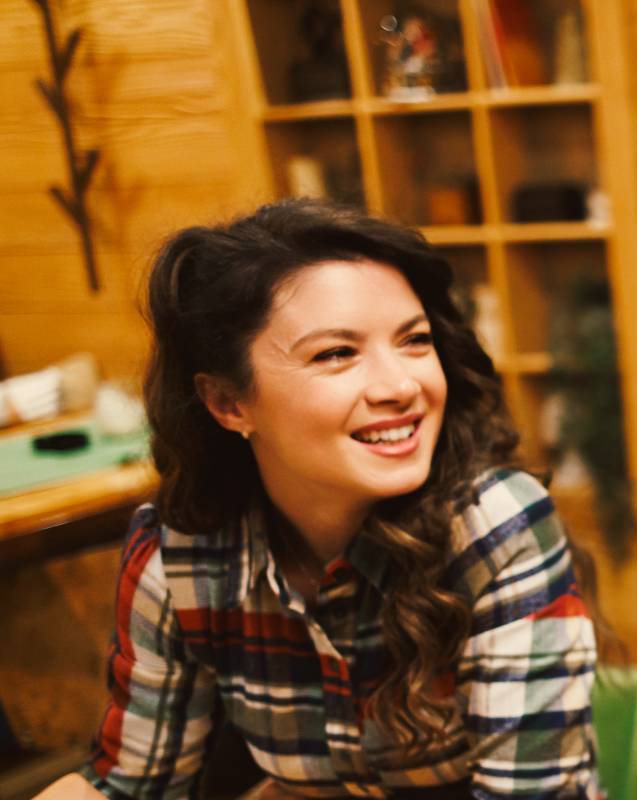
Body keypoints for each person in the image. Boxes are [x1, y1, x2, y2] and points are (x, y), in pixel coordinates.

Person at [36, 200, 605, 798]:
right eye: (337, 353)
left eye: (414, 340)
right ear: (229, 403)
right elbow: (130, 783)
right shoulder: (179, 559)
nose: (401, 386)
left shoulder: (495, 527)